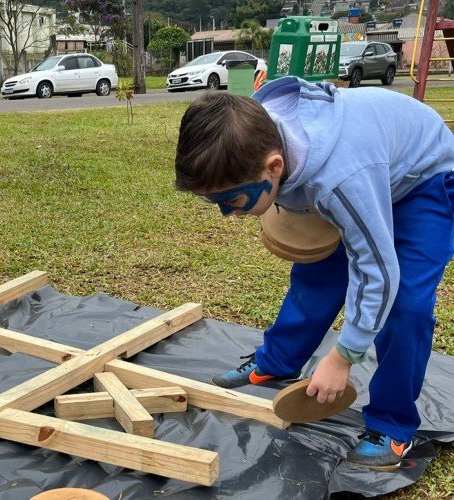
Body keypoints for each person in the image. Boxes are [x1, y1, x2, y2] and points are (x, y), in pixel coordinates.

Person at [175, 76, 454, 470]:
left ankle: (392, 424)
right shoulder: (257, 128)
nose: (227, 214)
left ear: (274, 166)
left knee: (406, 304)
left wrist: (343, 358)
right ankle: (278, 361)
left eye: (232, 200)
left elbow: (377, 271)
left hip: (424, 179)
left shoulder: (340, 180)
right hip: (365, 166)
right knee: (317, 274)